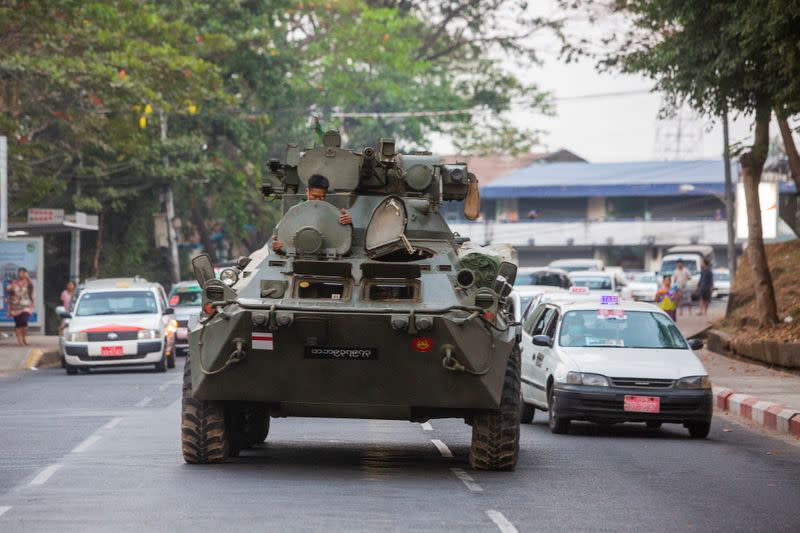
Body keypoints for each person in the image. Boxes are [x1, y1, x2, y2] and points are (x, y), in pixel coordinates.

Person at [272, 174, 352, 252]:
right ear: (307, 192)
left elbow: (342, 238)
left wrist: (348, 223)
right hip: (299, 254)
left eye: (322, 197)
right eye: (314, 196)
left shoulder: (333, 213)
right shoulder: (294, 212)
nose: (318, 200)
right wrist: (277, 246)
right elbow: (279, 234)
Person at [7, 267, 34, 346]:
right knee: (18, 324)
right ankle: (20, 340)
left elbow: (31, 286)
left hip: (26, 305)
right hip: (15, 306)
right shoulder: (14, 282)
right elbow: (9, 290)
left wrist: (28, 278)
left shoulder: (28, 282)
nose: (21, 274)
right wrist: (10, 287)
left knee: (24, 321)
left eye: (23, 272)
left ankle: (24, 337)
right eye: (20, 272)